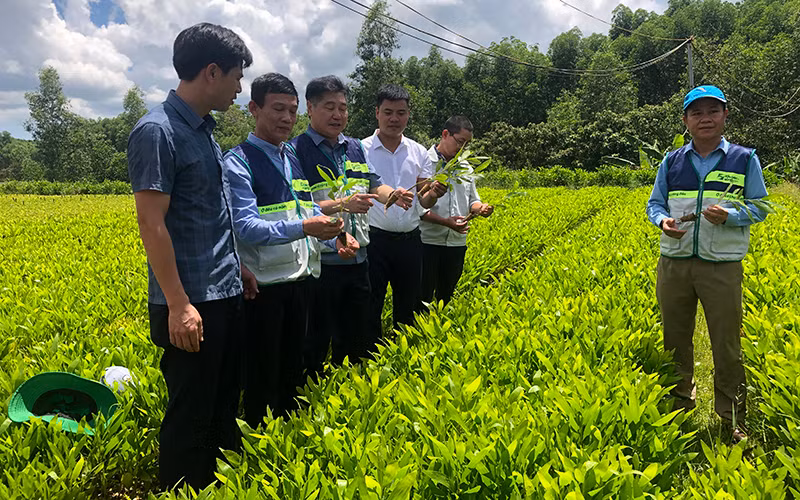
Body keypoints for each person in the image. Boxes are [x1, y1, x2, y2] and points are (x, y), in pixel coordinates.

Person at [127, 23, 255, 489]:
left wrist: (235, 267)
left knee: (222, 403)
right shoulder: (157, 131)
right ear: (212, 71)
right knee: (190, 414)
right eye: (237, 78)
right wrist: (179, 305)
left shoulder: (204, 131)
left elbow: (208, 213)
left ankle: (218, 487)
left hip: (221, 293)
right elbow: (151, 224)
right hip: (188, 303)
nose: (240, 89)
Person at [223, 73, 359, 426]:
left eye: (292, 111)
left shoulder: (292, 157)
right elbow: (246, 227)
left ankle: (286, 446)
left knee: (293, 373)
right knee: (262, 379)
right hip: (265, 288)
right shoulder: (238, 161)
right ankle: (257, 451)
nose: (286, 118)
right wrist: (305, 227)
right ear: (254, 109)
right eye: (278, 109)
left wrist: (334, 237)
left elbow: (306, 210)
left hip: (302, 279)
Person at [646, 85, 769, 443]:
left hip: (722, 265)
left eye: (712, 111)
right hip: (675, 264)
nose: (705, 118)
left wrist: (730, 215)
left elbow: (760, 206)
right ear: (685, 120)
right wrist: (661, 222)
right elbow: (655, 204)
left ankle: (732, 418)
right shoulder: (671, 161)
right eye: (697, 112)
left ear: (725, 115)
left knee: (726, 343)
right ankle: (679, 408)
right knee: (674, 340)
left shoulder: (744, 159)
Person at [289, 76, 413, 374]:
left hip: (358, 260)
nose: (338, 115)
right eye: (329, 107)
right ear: (310, 108)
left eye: (343, 108)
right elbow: (299, 208)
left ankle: (350, 399)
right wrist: (344, 205)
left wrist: (391, 195)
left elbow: (374, 185)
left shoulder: (354, 147)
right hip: (321, 264)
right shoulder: (296, 151)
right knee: (316, 341)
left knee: (356, 340)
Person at [361, 84, 447, 338]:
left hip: (410, 241)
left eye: (401, 112)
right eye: (388, 112)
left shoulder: (419, 151)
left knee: (408, 306)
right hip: (374, 241)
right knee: (370, 305)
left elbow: (425, 199)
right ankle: (368, 360)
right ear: (376, 112)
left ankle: (402, 360)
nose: (394, 119)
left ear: (408, 114)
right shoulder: (360, 149)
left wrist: (434, 193)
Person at [420, 115, 493, 306]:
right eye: (459, 142)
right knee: (422, 298)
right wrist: (446, 222)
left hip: (456, 243)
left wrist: (481, 208)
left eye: (466, 145)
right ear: (445, 134)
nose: (462, 149)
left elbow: (473, 201)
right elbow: (417, 208)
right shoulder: (424, 162)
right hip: (427, 242)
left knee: (446, 296)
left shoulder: (465, 168)